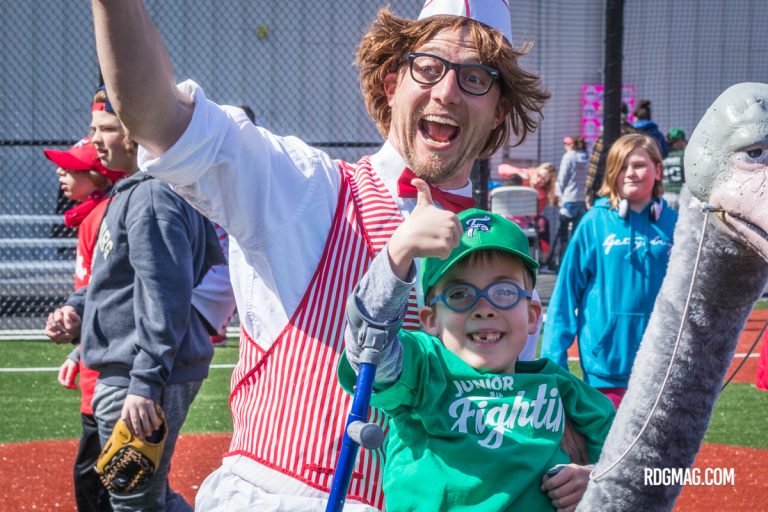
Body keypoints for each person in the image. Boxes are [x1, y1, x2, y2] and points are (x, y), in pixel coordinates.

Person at [89, 0, 552, 509]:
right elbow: (155, 114)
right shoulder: (308, 190)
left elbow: (507, 424)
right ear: (392, 82)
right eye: (428, 66)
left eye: (476, 78)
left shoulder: (503, 256)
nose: (446, 90)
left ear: (499, 111)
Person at [340, 200, 615, 511]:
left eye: (504, 292)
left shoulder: (559, 387)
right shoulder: (424, 368)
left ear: (532, 316)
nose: (484, 308)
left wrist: (596, 479)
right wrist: (399, 251)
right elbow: (369, 345)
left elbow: (635, 463)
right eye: (459, 294)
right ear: (431, 320)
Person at [44, 87, 223, 512]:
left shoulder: (152, 195)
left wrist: (144, 383)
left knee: (132, 502)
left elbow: (166, 294)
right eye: (93, 130)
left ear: (136, 131)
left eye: (106, 128)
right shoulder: (135, 192)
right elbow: (120, 280)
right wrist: (78, 307)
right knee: (144, 498)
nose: (94, 141)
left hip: (136, 377)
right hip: (134, 372)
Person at [540, 134, 678, 408]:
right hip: (604, 372)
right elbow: (565, 297)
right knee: (605, 451)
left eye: (638, 164)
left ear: (658, 170)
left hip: (662, 367)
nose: (630, 173)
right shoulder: (594, 222)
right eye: (621, 166)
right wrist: (553, 363)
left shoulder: (677, 224)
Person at [44, 136, 126, 512]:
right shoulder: (90, 215)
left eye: (72, 167)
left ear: (96, 175)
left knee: (99, 483)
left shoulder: (105, 216)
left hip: (110, 373)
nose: (61, 172)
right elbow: (95, 294)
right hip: (96, 362)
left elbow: (110, 295)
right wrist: (79, 350)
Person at [542, 136, 588, 271]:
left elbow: (562, 179)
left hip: (569, 199)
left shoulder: (568, 157)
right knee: (576, 234)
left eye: (566, 143)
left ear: (571, 145)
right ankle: (575, 263)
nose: (564, 146)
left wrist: (559, 198)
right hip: (582, 200)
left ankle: (558, 263)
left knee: (561, 233)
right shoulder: (587, 157)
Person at [584, 102, 637, 208]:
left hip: (608, 190)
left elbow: (594, 167)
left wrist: (589, 192)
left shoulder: (605, 136)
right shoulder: (635, 135)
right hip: (631, 188)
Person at [661, 128, 687, 210]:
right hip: (679, 195)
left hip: (664, 195)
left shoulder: (662, 155)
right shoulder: (684, 155)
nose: (684, 143)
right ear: (677, 141)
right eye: (683, 140)